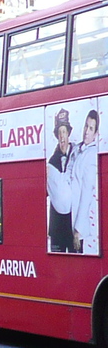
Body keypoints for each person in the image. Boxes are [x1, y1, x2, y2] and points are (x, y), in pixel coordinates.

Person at [48, 109, 79, 254]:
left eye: (64, 132)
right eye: (59, 133)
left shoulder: (78, 155)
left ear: (68, 134)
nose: (62, 137)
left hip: (74, 225)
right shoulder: (51, 162)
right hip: (57, 227)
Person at [72, 109, 101, 255]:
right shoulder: (77, 148)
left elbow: (86, 194)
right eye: (85, 126)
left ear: (96, 134)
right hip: (66, 218)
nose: (86, 132)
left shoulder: (91, 156)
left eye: (91, 128)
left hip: (76, 223)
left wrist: (78, 229)